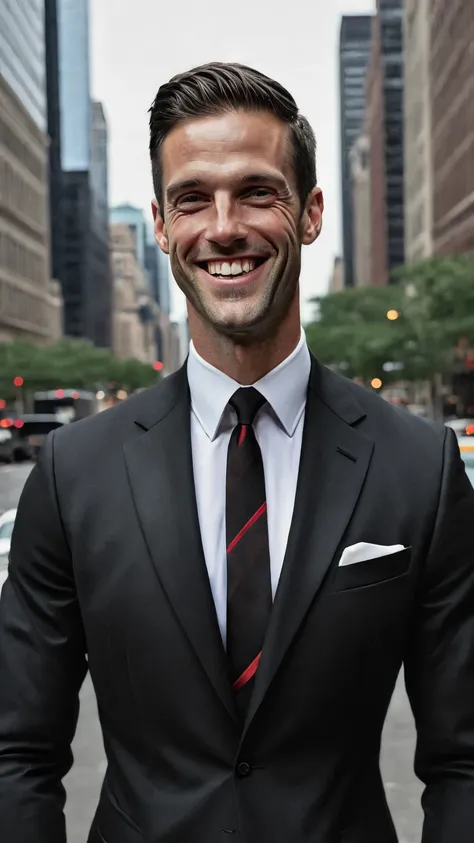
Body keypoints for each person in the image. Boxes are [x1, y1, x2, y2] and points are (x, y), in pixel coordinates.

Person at [0, 62, 473, 843]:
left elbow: (464, 757)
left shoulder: (420, 466)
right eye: (192, 199)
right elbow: (18, 749)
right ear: (160, 225)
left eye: (257, 191)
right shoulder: (71, 472)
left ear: (312, 212)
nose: (223, 227)